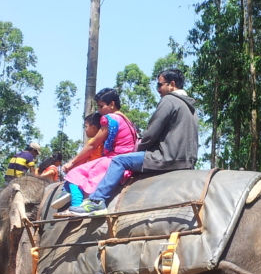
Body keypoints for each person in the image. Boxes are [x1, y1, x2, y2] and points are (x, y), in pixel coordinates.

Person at [66, 68, 198, 216]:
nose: (158, 90)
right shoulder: (190, 107)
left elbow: (151, 133)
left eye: (159, 85)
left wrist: (138, 149)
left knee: (119, 161)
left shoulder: (169, 100)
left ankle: (97, 201)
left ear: (172, 84)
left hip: (166, 157)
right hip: (187, 161)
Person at [59, 92, 139, 209]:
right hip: (128, 161)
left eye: (101, 106)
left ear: (112, 104)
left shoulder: (111, 118)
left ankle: (77, 205)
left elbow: (93, 145)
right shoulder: (127, 120)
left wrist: (72, 162)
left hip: (114, 160)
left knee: (74, 173)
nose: (99, 110)